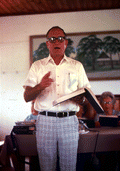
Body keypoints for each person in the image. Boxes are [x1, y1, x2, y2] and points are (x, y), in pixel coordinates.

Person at [23, 26, 91, 171]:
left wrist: (81, 99)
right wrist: (40, 86)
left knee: (69, 166)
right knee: (46, 167)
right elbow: (26, 97)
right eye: (52, 39)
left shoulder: (77, 66)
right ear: (47, 43)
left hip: (69, 120)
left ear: (65, 43)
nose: (56, 42)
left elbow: (86, 97)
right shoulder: (37, 66)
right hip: (45, 121)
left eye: (60, 38)